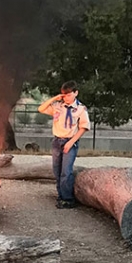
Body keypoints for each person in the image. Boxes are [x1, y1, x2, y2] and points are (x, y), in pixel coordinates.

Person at [38, 81, 90, 209]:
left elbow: (84, 127)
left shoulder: (80, 109)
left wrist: (71, 143)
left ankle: (68, 198)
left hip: (70, 141)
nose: (66, 98)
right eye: (64, 95)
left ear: (76, 93)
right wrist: (55, 98)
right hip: (57, 141)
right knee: (57, 170)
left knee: (66, 171)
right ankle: (60, 196)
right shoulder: (58, 106)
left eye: (68, 94)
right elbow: (41, 108)